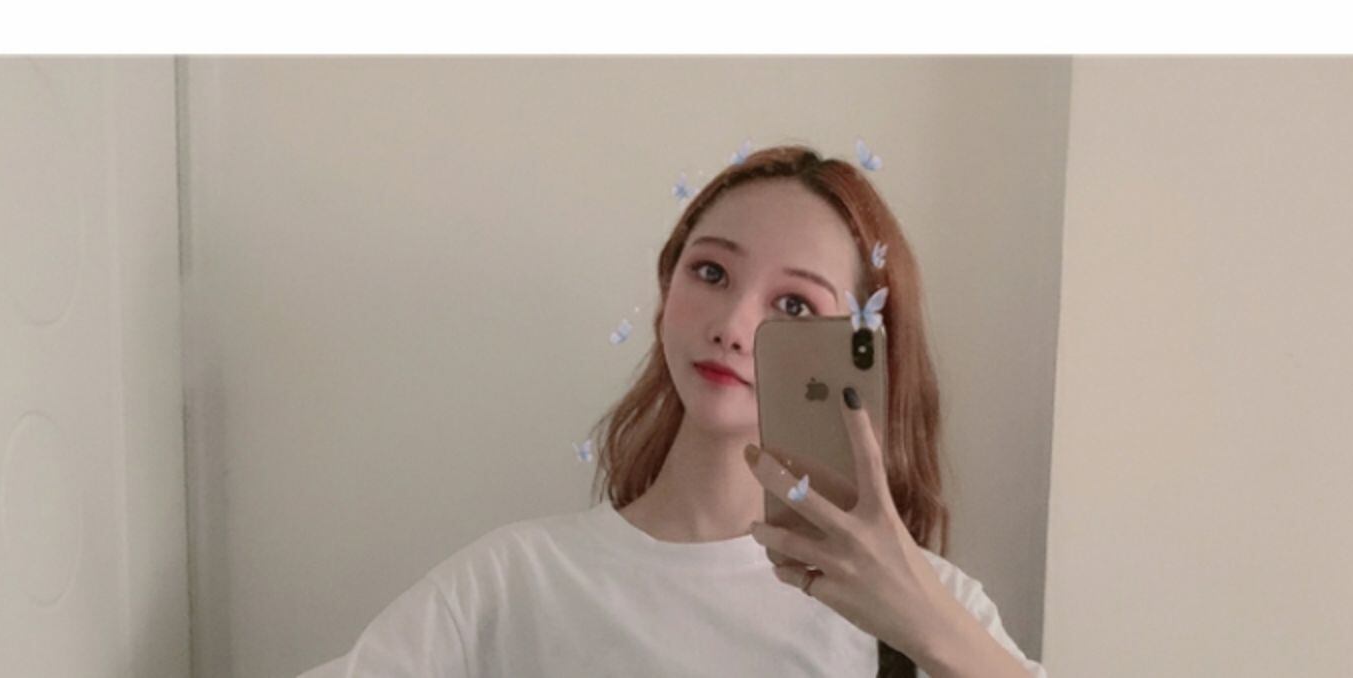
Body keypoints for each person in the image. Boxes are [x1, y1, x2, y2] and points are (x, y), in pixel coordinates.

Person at [308, 145, 1048, 677]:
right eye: (712, 272)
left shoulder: (934, 608)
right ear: (667, 292)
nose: (734, 324)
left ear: (858, 348)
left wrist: (929, 631)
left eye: (794, 305)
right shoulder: (515, 583)